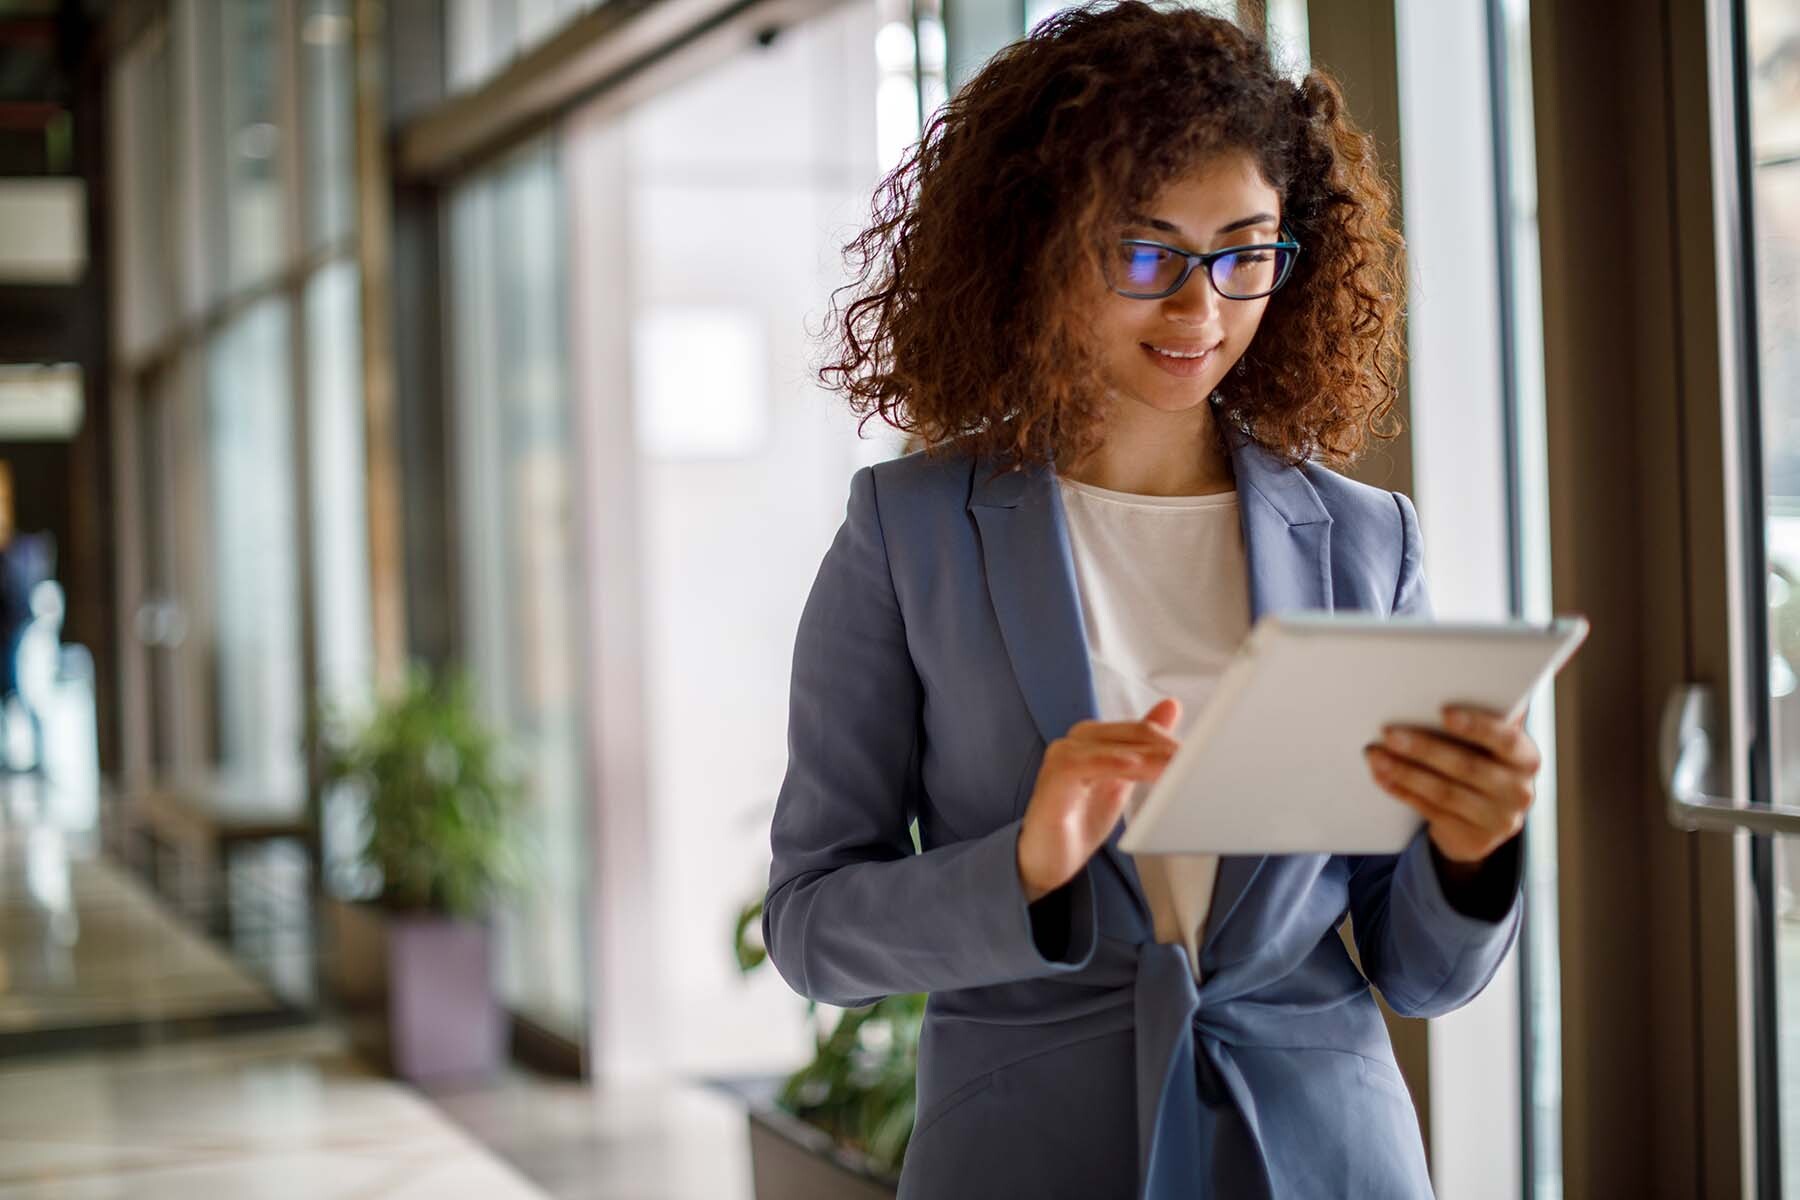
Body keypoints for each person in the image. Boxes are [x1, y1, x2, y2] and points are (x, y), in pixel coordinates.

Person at [762, 4, 1542, 1197]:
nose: (1202, 312)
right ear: (1038, 246)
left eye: (1246, 252)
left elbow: (1419, 970)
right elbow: (814, 931)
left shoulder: (1366, 543)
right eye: (1145, 255)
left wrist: (1473, 856)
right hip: (1029, 1150)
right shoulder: (909, 532)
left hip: (1324, 1153)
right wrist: (1022, 864)